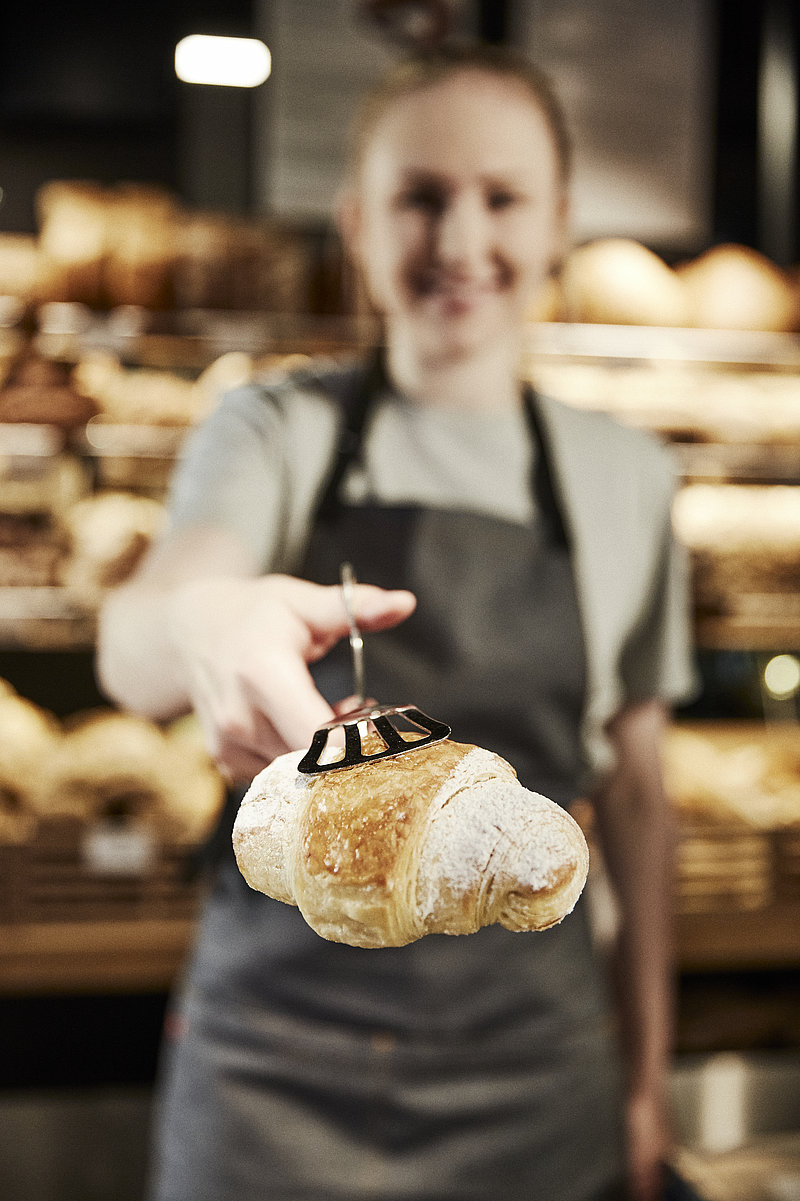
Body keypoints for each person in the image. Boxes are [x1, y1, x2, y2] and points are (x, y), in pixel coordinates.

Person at [98, 42, 697, 1201]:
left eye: (501, 198)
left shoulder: (623, 476)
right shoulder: (271, 430)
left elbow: (633, 796)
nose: (461, 242)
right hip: (276, 1074)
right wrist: (209, 622)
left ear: (558, 223)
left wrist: (646, 1074)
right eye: (419, 199)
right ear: (358, 224)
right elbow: (138, 636)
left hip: (534, 1072)